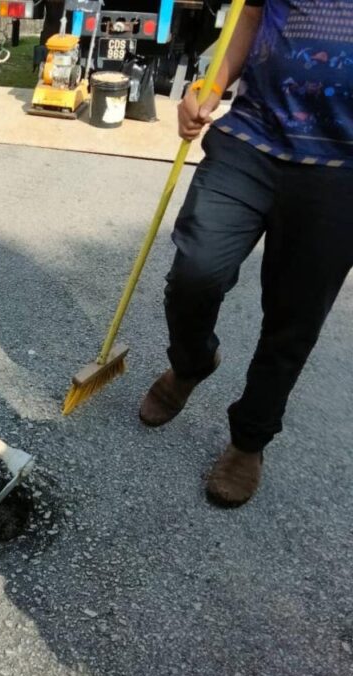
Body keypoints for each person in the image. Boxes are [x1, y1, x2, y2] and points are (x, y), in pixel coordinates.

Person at [139, 0, 353, 506]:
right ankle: (191, 363)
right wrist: (210, 88)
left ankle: (249, 439)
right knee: (195, 270)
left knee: (294, 317)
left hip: (341, 170)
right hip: (251, 134)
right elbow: (250, 18)